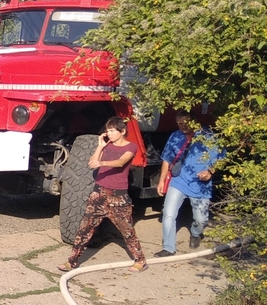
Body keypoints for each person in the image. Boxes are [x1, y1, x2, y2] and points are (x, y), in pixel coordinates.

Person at [60, 116, 148, 273]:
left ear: (122, 131)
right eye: (107, 130)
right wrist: (100, 147)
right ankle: (71, 261)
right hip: (99, 194)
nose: (109, 133)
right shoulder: (107, 145)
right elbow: (93, 161)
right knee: (84, 229)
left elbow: (121, 162)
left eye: (112, 131)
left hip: (118, 196)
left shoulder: (131, 147)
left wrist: (102, 163)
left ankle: (140, 260)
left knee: (127, 231)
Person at [155, 111, 224, 257]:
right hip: (178, 180)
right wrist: (161, 181)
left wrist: (210, 172)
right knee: (168, 214)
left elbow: (221, 158)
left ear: (193, 121)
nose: (183, 126)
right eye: (179, 123)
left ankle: (196, 232)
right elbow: (167, 159)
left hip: (200, 184)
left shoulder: (208, 136)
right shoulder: (175, 136)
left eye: (185, 123)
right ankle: (168, 247)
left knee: (201, 219)